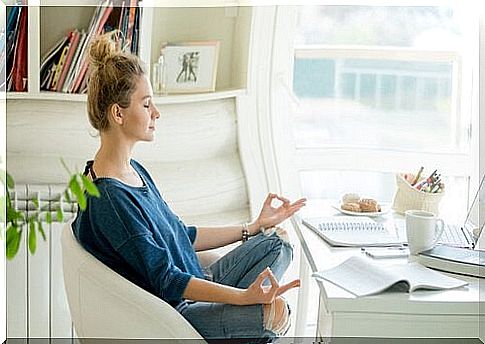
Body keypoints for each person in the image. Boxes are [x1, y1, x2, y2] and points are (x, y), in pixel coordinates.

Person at [72, 31, 306, 342]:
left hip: (198, 279)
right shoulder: (111, 199)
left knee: (278, 241)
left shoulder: (131, 170)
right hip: (177, 312)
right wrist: (242, 298)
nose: (156, 113)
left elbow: (180, 234)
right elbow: (166, 279)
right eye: (146, 104)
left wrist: (252, 227)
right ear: (118, 113)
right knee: (275, 314)